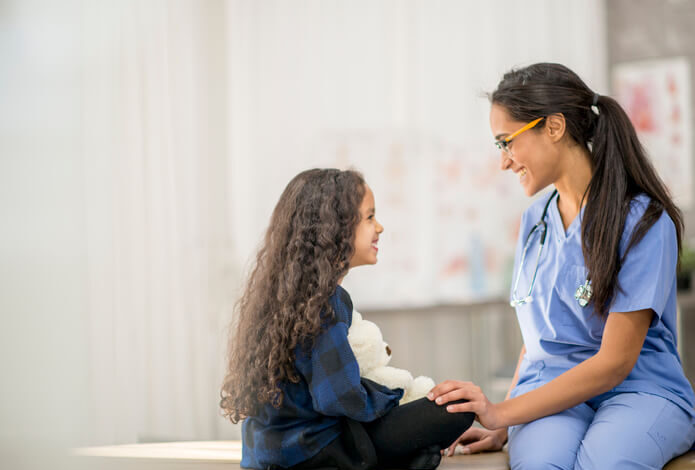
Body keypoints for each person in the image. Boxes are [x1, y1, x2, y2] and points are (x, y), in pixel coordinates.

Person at [428, 63, 695, 469]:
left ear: (553, 127)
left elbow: (614, 364)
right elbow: (538, 339)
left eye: (506, 143)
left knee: (606, 462)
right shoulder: (534, 221)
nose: (503, 162)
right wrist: (505, 422)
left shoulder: (643, 221)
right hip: (548, 389)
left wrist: (501, 411)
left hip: (637, 389)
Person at [221, 168, 474, 470]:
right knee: (459, 408)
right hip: (315, 452)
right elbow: (339, 397)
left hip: (265, 455)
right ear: (335, 227)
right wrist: (396, 398)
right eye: (369, 217)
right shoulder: (325, 302)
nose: (379, 227)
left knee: (417, 434)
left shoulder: (282, 296)